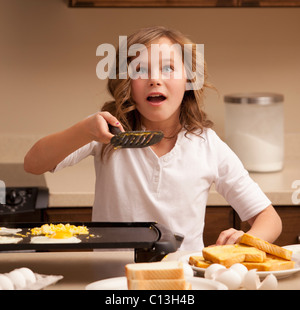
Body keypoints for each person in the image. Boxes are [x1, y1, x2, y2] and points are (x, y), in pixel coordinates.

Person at [24, 26, 282, 250]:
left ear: (189, 80)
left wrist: (246, 241)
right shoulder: (107, 132)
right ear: (126, 83)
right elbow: (33, 164)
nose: (155, 79)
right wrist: (84, 129)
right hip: (113, 281)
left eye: (169, 68)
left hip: (183, 281)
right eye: (140, 70)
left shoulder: (208, 145)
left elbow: (270, 219)